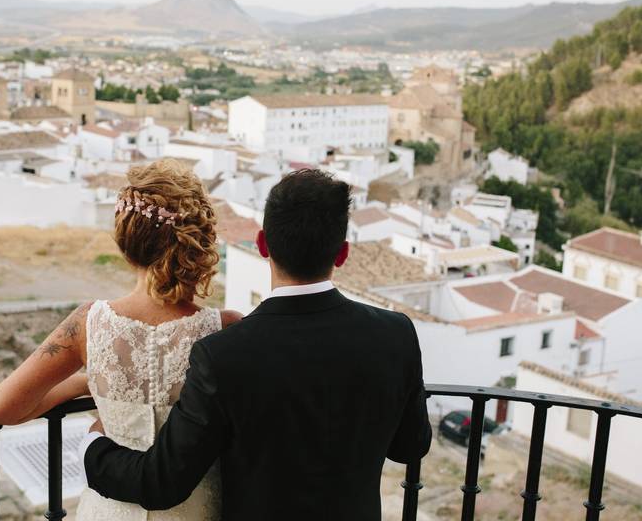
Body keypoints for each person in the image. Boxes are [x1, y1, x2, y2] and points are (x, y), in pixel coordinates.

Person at [82, 168, 432, 521]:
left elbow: (162, 483)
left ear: (263, 244)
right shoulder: (395, 334)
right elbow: (411, 446)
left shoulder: (223, 355)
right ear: (341, 253)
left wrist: (92, 447)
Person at [0, 159, 240, 521]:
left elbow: (0, 410)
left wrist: (83, 384)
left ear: (125, 243)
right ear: (198, 242)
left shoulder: (89, 322)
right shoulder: (226, 328)